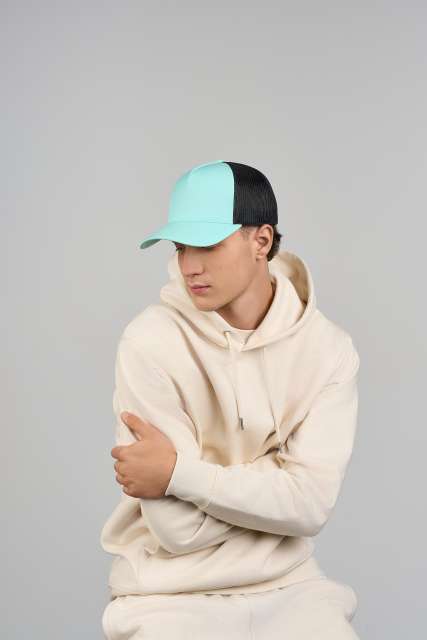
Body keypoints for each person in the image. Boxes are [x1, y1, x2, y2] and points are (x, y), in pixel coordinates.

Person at [100, 160, 361, 639]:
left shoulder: (328, 350)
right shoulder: (150, 342)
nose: (189, 266)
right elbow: (178, 530)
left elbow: (310, 507)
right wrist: (276, 481)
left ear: (261, 241)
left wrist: (177, 474)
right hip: (167, 594)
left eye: (207, 245)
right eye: (181, 247)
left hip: (291, 585)